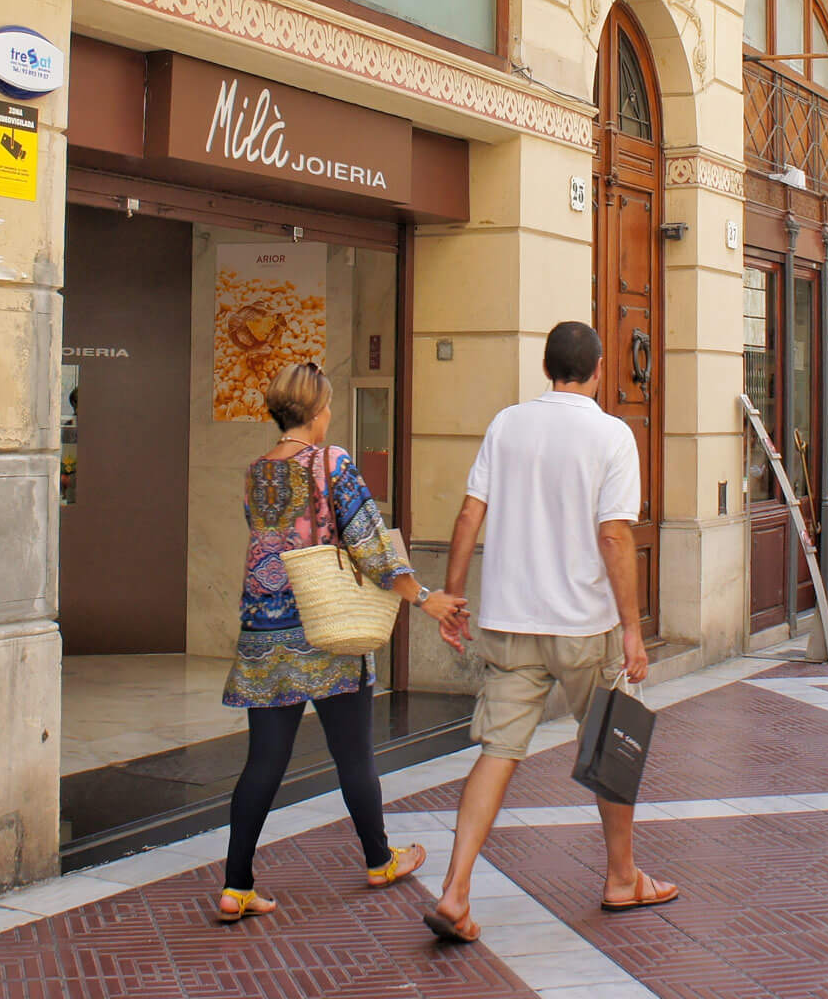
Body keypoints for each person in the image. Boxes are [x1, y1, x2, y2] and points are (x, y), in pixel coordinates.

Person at [427, 322, 671, 944]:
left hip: (510, 619)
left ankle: (455, 891)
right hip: (584, 626)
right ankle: (622, 878)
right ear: (594, 370)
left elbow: (469, 513)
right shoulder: (612, 434)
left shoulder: (507, 424)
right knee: (612, 747)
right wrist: (634, 632)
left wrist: (453, 595)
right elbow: (615, 536)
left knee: (497, 752)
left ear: (547, 369)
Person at [216, 362, 468, 923]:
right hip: (326, 627)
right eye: (328, 405)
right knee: (353, 753)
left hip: (265, 631)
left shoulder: (258, 471)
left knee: (263, 762)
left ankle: (236, 887)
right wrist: (423, 597)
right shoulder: (333, 461)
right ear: (314, 410)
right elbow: (368, 543)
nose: (331, 414)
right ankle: (379, 859)